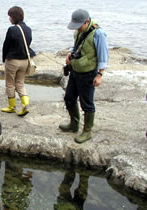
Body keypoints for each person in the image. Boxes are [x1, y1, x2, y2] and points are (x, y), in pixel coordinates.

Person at [59, 9, 108, 143]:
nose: (77, 29)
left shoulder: (99, 34)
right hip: (75, 71)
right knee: (69, 98)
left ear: (87, 22)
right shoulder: (79, 31)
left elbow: (103, 56)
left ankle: (87, 131)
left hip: (88, 73)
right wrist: (70, 53)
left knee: (87, 103)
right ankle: (74, 124)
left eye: (79, 26)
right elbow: (77, 46)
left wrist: (99, 75)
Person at [1, 6, 35, 117]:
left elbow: (6, 46)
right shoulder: (28, 29)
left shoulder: (12, 30)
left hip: (13, 61)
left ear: (14, 17)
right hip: (25, 61)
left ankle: (11, 107)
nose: (9, 19)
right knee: (20, 83)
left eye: (10, 16)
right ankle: (25, 105)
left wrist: (3, 59)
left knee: (10, 84)